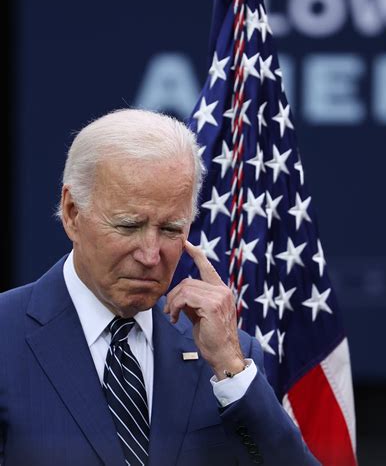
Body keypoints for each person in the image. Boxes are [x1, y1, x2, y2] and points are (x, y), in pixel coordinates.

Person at [0, 109, 320, 466]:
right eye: (128, 225)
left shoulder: (226, 354)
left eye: (170, 230)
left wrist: (232, 369)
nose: (151, 255)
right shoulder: (6, 334)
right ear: (73, 213)